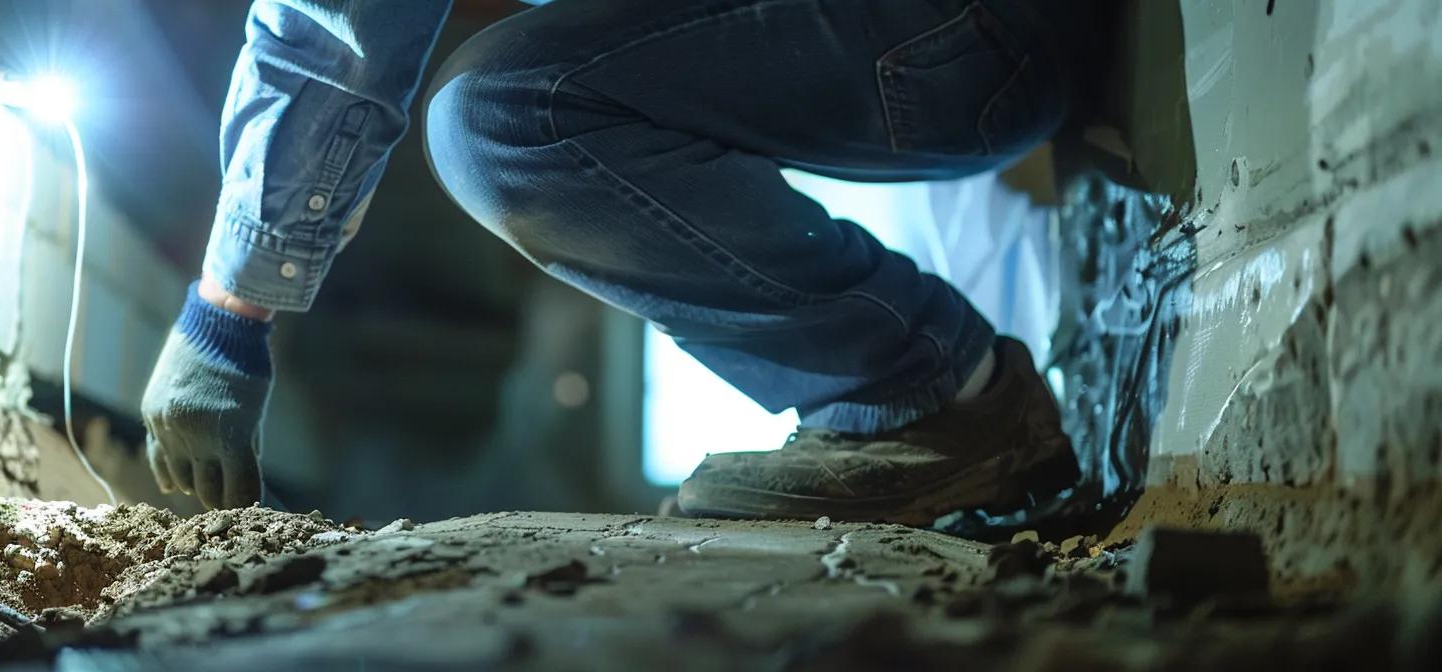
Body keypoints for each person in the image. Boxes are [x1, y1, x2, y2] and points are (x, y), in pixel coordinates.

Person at [141, 0, 1097, 523]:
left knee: (504, 115)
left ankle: (928, 389)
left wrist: (229, 312)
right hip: (979, 41)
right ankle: (926, 376)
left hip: (975, 33)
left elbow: (337, 28)